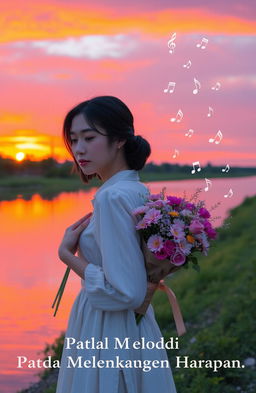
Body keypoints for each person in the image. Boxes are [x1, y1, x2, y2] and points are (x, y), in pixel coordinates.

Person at [56, 95, 177, 393]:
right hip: (130, 325)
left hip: (107, 327)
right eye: (73, 139)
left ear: (120, 140)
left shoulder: (112, 197)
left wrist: (67, 256)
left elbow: (126, 293)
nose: (79, 149)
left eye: (89, 137)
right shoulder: (135, 188)